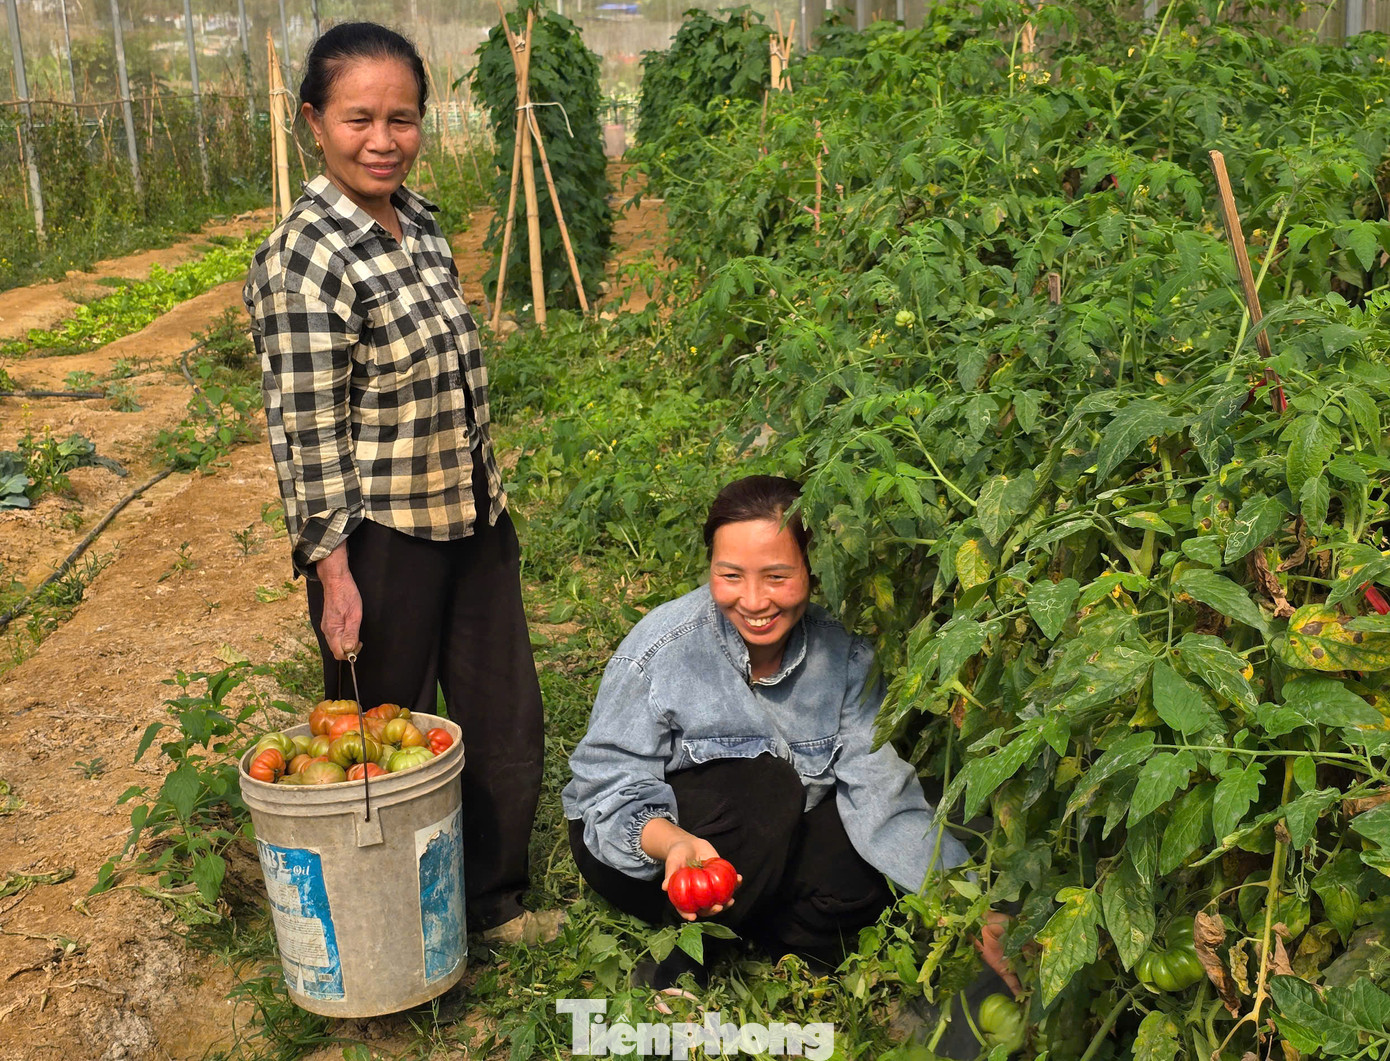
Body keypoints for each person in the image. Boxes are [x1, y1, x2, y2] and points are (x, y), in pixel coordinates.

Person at [243, 22, 553, 945]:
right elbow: (305, 432)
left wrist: (486, 495)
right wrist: (334, 573)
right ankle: (386, 923)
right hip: (379, 535)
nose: (383, 139)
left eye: (403, 118)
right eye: (359, 120)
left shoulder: (417, 223)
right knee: (377, 738)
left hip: (469, 509)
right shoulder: (304, 256)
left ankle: (493, 899)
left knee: (504, 713)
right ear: (314, 122)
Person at [562, 475, 1017, 1054]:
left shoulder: (845, 658)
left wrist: (965, 900)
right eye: (730, 576)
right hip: (647, 852)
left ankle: (761, 922)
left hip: (762, 845)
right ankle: (679, 967)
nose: (753, 601)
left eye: (777, 576)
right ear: (711, 569)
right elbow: (606, 784)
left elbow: (880, 790)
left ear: (812, 569)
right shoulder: (664, 648)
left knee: (864, 868)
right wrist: (672, 844)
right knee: (767, 785)